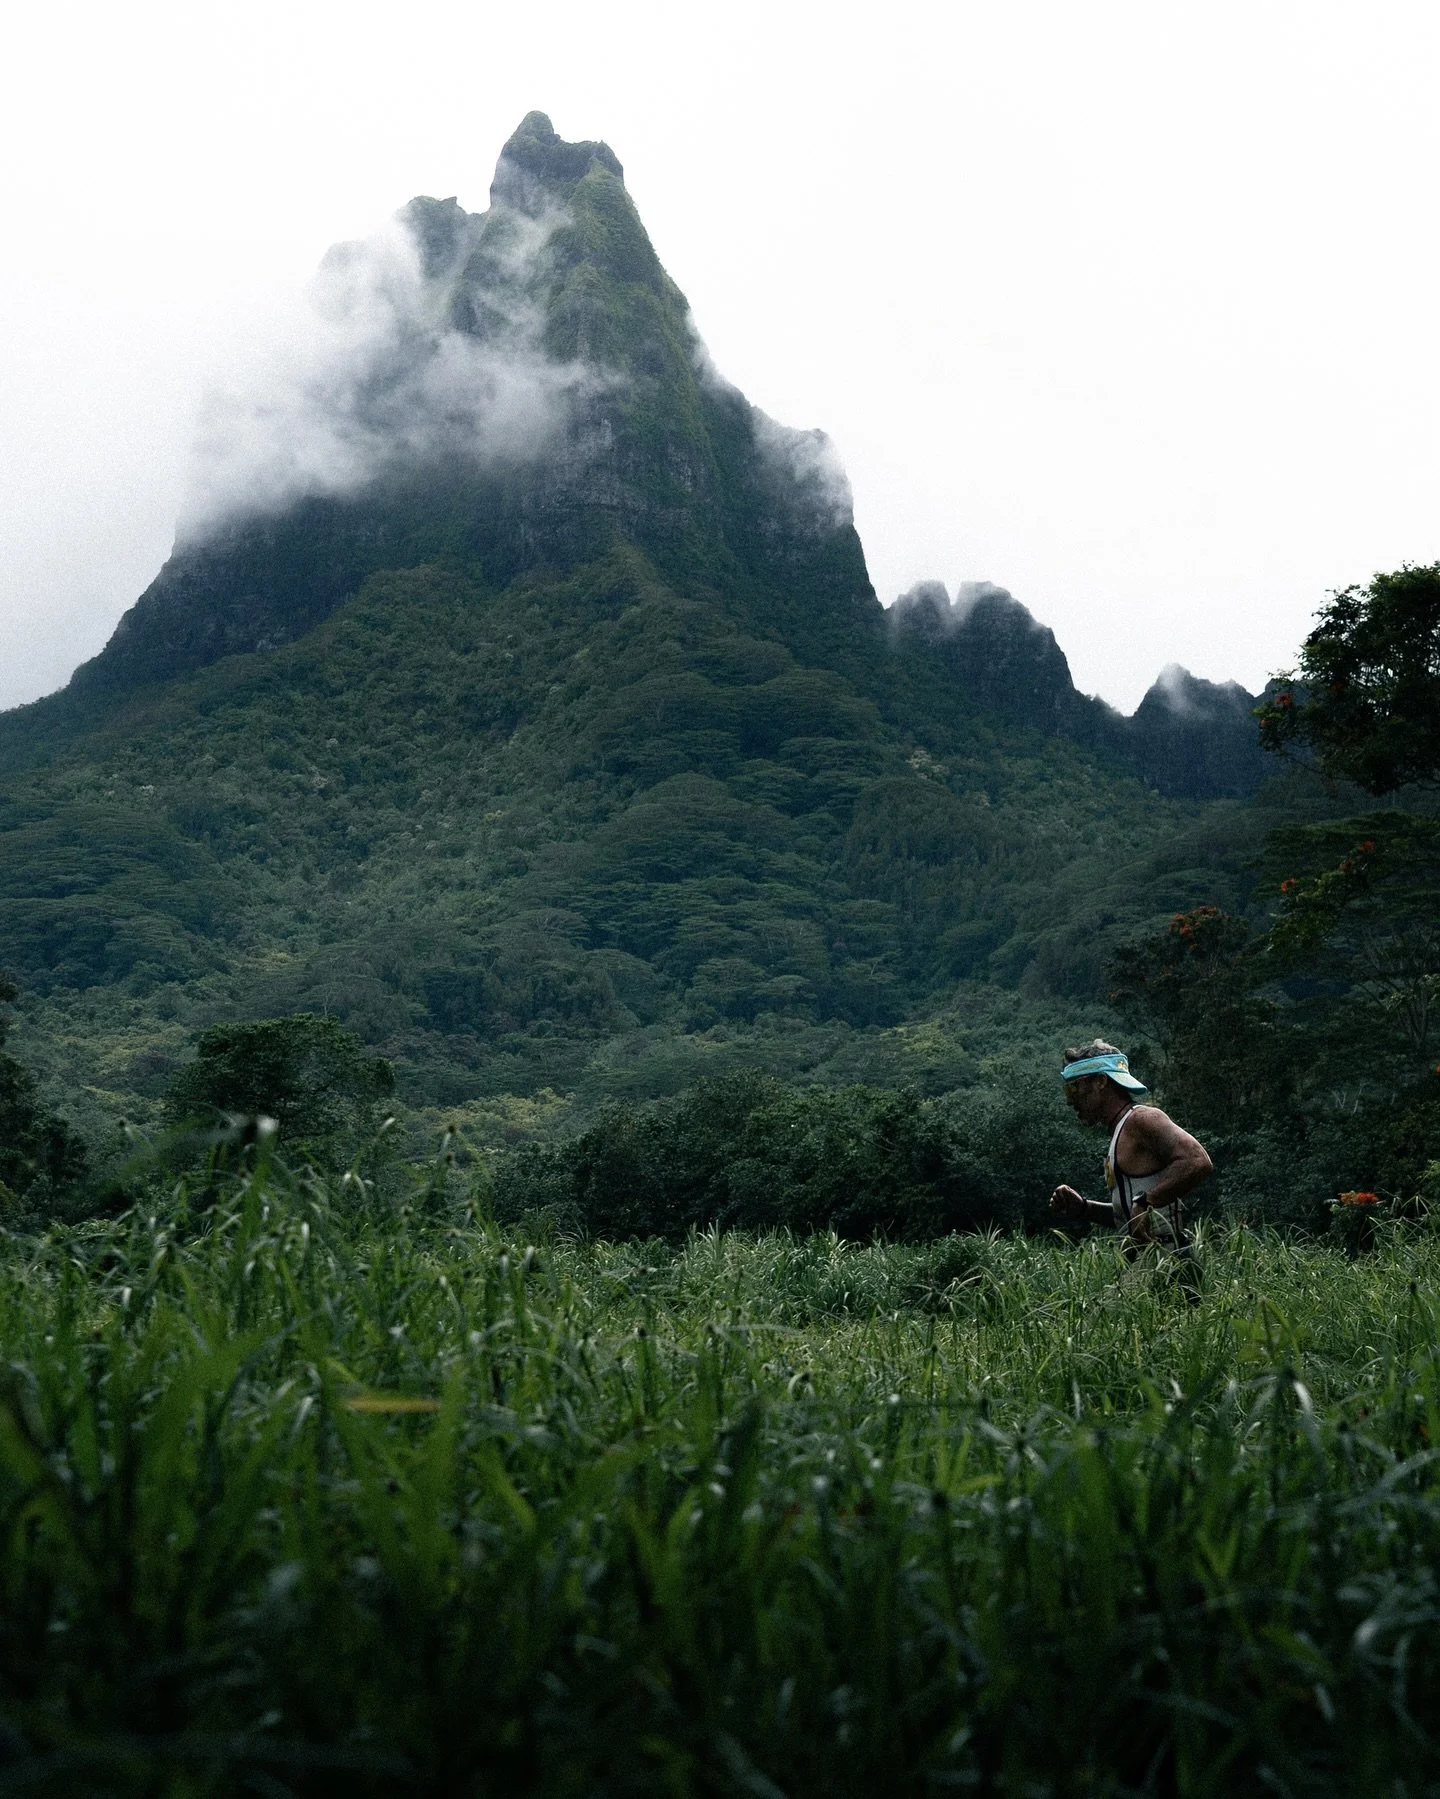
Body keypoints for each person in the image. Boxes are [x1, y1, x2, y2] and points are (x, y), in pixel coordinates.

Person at [1048, 1038, 1212, 1278]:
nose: (1069, 1099)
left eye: (1073, 1087)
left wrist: (1147, 1201)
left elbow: (1198, 1161)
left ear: (1101, 1082)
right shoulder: (1120, 1130)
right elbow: (1130, 1214)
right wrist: (1085, 1208)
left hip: (1169, 1264)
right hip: (1144, 1264)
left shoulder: (1142, 1119)